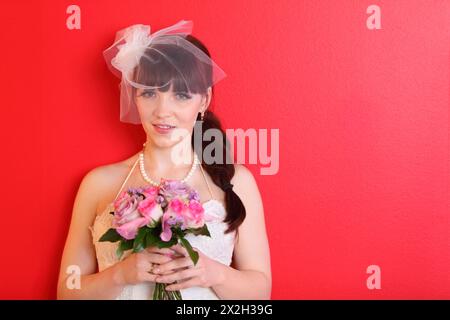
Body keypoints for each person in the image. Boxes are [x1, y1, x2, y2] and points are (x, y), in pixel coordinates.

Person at [57, 20, 271, 299]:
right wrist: (121, 274)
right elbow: (66, 291)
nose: (162, 111)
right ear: (135, 96)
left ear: (203, 100)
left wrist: (214, 273)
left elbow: (261, 291)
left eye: (180, 95)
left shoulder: (236, 181)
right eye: (149, 93)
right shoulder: (98, 183)